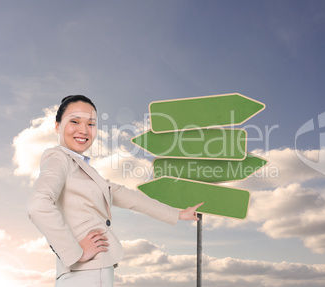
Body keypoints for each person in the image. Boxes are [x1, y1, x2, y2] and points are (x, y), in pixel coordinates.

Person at [27, 95, 203, 287]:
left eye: (91, 124)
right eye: (74, 121)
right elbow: (38, 205)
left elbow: (132, 198)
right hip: (87, 272)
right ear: (58, 126)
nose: (83, 130)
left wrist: (177, 214)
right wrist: (75, 251)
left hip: (84, 273)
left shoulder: (82, 170)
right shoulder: (58, 158)